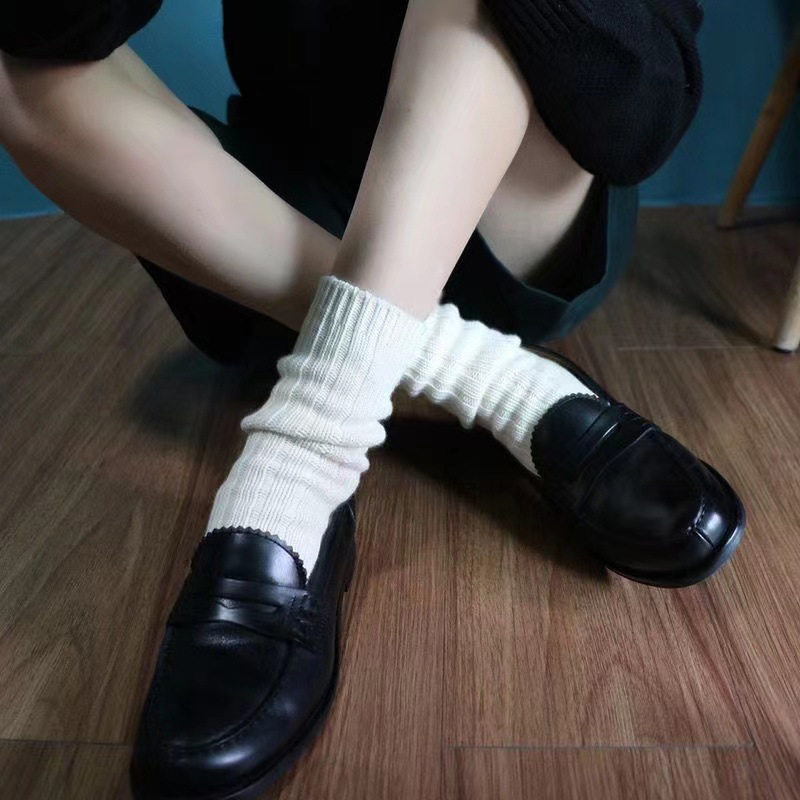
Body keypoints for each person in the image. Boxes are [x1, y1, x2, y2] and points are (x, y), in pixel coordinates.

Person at [0, 1, 745, 798]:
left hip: (503, 219)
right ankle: (484, 373)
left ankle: (304, 450)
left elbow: (642, 121)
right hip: (268, 223)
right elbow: (50, 29)